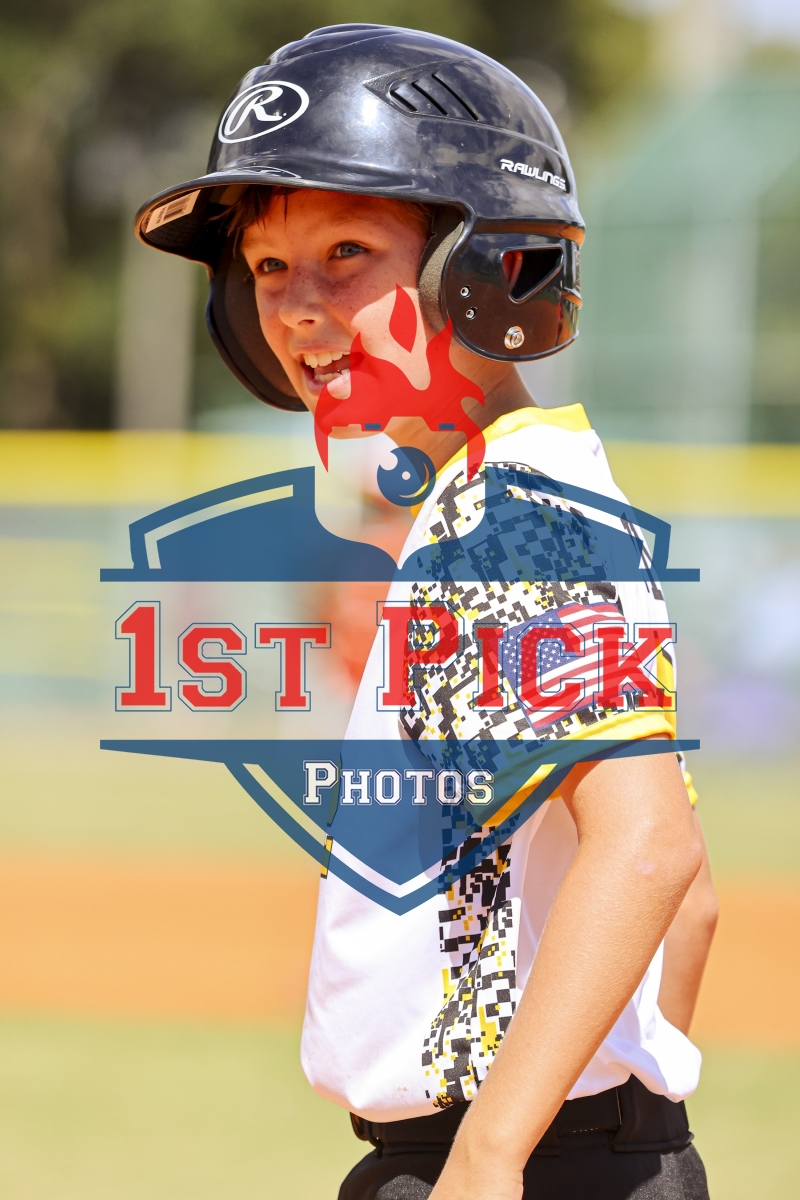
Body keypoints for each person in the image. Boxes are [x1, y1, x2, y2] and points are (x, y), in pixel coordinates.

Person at [135, 24, 718, 1199]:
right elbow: (691, 911)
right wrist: (624, 1118)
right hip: (557, 1151)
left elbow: (653, 853)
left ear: (486, 268)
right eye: (267, 268)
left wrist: (496, 1153)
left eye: (346, 252)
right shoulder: (497, 495)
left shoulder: (505, 517)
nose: (296, 307)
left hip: (510, 1162)